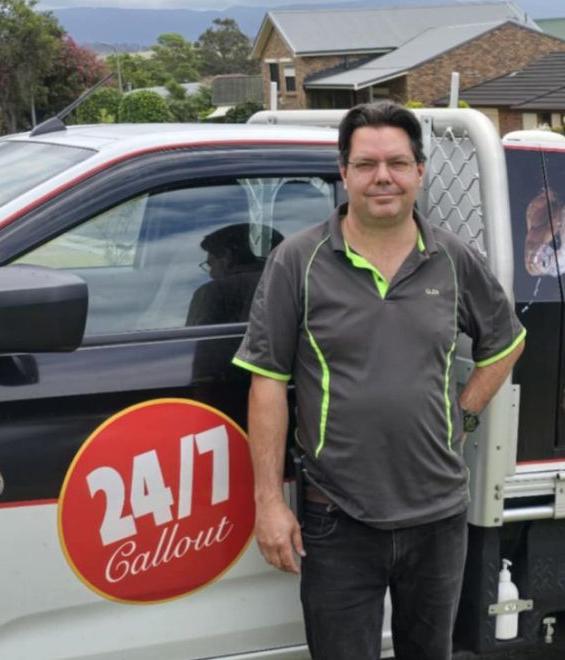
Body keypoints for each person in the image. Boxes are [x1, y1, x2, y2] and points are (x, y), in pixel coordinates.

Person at [232, 101, 525, 660]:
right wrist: (268, 501)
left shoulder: (452, 259)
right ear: (343, 173)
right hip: (336, 515)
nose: (382, 176)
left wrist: (464, 415)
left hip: (438, 516)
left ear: (419, 170)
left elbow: (507, 342)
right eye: (366, 164)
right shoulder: (298, 261)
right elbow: (266, 382)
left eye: (397, 162)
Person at [186, 223, 283, 326]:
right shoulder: (296, 287)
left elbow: (198, 341)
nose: (211, 274)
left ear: (226, 256)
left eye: (211, 264)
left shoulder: (215, 291)